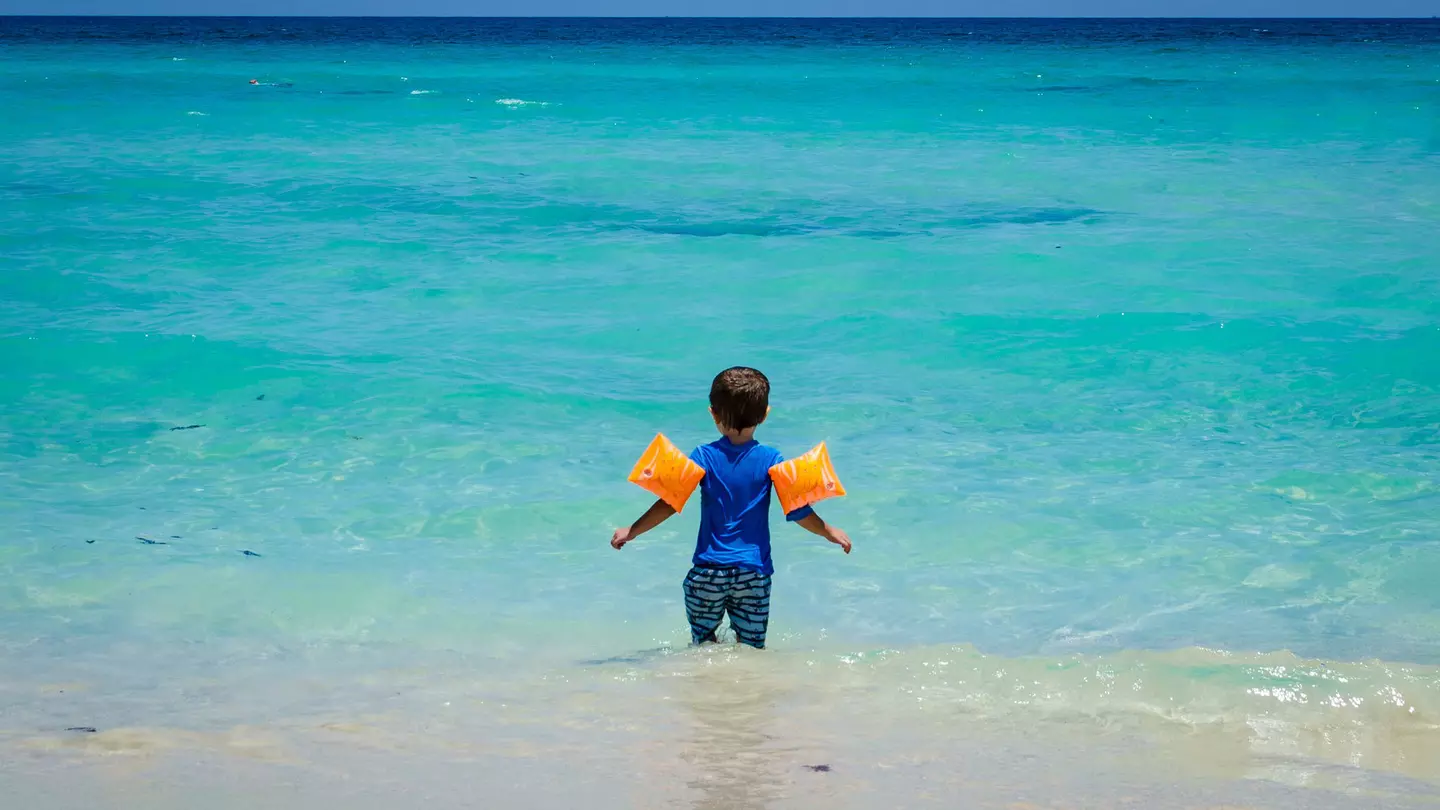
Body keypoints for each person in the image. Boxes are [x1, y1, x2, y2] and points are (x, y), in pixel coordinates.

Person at [610, 367, 852, 649]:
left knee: (703, 647)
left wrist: (633, 530)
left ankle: (706, 688)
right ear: (764, 415)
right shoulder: (772, 459)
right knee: (751, 648)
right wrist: (828, 531)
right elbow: (799, 511)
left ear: (713, 414)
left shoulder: (703, 456)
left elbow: (669, 502)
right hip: (754, 574)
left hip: (707, 574)